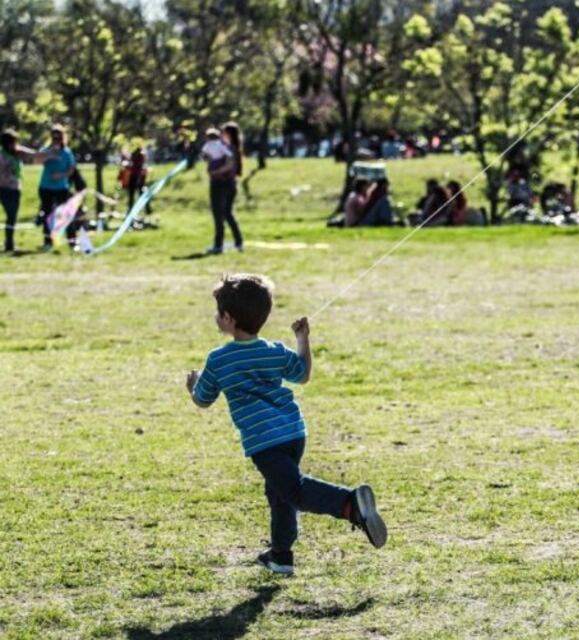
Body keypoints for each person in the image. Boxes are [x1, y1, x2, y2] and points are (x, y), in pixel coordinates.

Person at [185, 274, 387, 576]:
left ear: (228, 318)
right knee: (279, 494)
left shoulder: (218, 360)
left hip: (264, 442)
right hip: (293, 433)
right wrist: (303, 340)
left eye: (218, 313)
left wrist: (193, 384)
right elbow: (302, 373)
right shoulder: (274, 351)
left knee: (293, 491)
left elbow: (203, 399)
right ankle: (280, 555)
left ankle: (349, 504)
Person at [0, 129, 46, 253]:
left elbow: (34, 154)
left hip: (14, 189)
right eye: (13, 142)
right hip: (3, 189)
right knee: (11, 217)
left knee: (11, 217)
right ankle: (9, 243)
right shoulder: (2, 155)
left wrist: (48, 153)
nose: (16, 144)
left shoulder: (16, 152)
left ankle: (9, 243)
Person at [206, 123, 244, 254]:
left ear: (229, 134)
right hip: (230, 184)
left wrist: (215, 172)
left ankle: (218, 245)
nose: (220, 135)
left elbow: (229, 165)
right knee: (228, 214)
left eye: (223, 132)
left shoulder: (228, 148)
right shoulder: (234, 149)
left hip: (220, 184)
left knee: (218, 215)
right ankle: (238, 242)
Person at [38, 125, 76, 250]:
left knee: (65, 214)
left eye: (58, 138)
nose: (56, 140)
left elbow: (71, 170)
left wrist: (61, 174)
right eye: (54, 137)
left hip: (61, 188)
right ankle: (47, 242)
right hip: (46, 187)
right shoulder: (45, 150)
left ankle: (72, 242)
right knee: (47, 214)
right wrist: (48, 155)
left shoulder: (67, 152)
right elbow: (36, 161)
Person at [127, 146, 150, 215]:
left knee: (140, 194)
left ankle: (146, 209)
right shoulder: (138, 155)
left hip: (137, 176)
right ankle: (131, 210)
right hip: (136, 176)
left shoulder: (138, 155)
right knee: (135, 194)